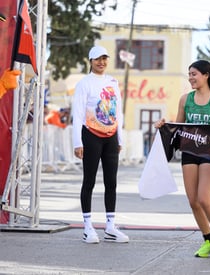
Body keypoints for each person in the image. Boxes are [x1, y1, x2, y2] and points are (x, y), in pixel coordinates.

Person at [154, 60, 210, 258]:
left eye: (194, 74)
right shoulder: (185, 99)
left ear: (206, 75)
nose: (190, 77)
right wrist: (163, 125)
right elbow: (179, 126)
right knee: (193, 201)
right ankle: (208, 240)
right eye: (189, 74)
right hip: (189, 151)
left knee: (203, 198)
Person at [72, 46, 128, 244]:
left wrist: (120, 138)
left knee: (111, 182)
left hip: (111, 137)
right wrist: (77, 142)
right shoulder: (84, 84)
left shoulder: (112, 82)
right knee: (89, 181)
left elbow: (118, 111)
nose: (101, 62)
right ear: (90, 61)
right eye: (97, 59)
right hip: (91, 136)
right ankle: (88, 227)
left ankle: (110, 227)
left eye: (104, 59)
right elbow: (77, 114)